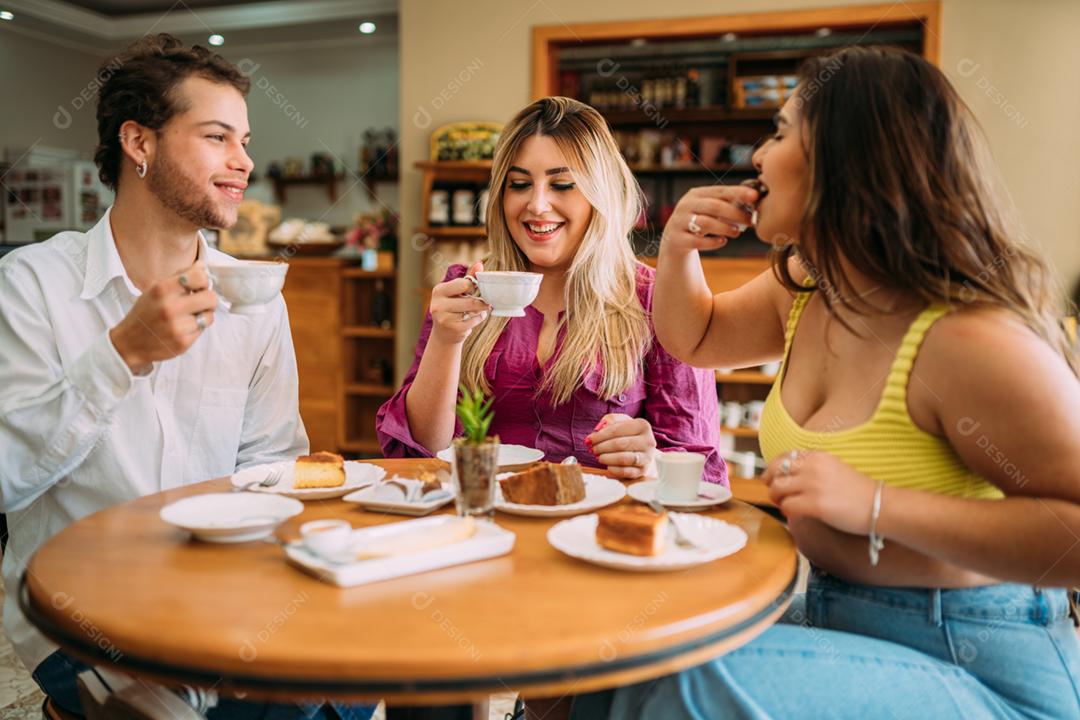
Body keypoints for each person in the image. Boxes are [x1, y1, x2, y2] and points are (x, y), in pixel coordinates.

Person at [573, 45, 1080, 719]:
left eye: (781, 133)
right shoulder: (810, 291)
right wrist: (678, 248)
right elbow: (695, 338)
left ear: (848, 159)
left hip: (977, 660)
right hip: (839, 618)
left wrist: (876, 505)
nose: (758, 156)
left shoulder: (967, 337)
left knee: (688, 685)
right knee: (622, 652)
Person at [0, 34, 374, 720]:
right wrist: (121, 355)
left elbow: (270, 463)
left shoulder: (254, 298)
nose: (244, 162)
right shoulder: (30, 286)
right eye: (216, 137)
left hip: (220, 587)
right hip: (78, 604)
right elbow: (5, 477)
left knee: (361, 675)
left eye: (245, 141)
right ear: (138, 142)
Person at [376, 97, 723, 484]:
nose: (537, 205)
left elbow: (700, 468)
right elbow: (422, 451)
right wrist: (446, 339)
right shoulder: (466, 287)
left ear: (600, 194)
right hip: (487, 513)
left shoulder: (657, 297)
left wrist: (652, 461)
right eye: (519, 184)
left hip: (603, 519)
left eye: (562, 184)